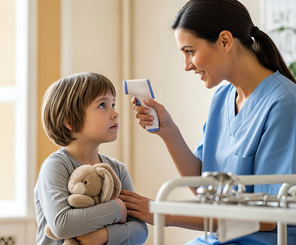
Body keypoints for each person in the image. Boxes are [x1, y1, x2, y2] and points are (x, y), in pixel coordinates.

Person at [119, 0, 296, 244]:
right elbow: (205, 188)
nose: (186, 65)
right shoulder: (222, 99)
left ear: (225, 41)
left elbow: (268, 216)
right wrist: (168, 131)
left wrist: (163, 213)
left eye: (190, 51)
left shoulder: (284, 104)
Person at [34, 72, 148, 245]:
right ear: (70, 121)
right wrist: (117, 208)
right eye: (102, 105)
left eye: (113, 104)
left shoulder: (118, 170)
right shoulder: (56, 166)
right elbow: (61, 224)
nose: (115, 113)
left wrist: (105, 235)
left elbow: (141, 231)